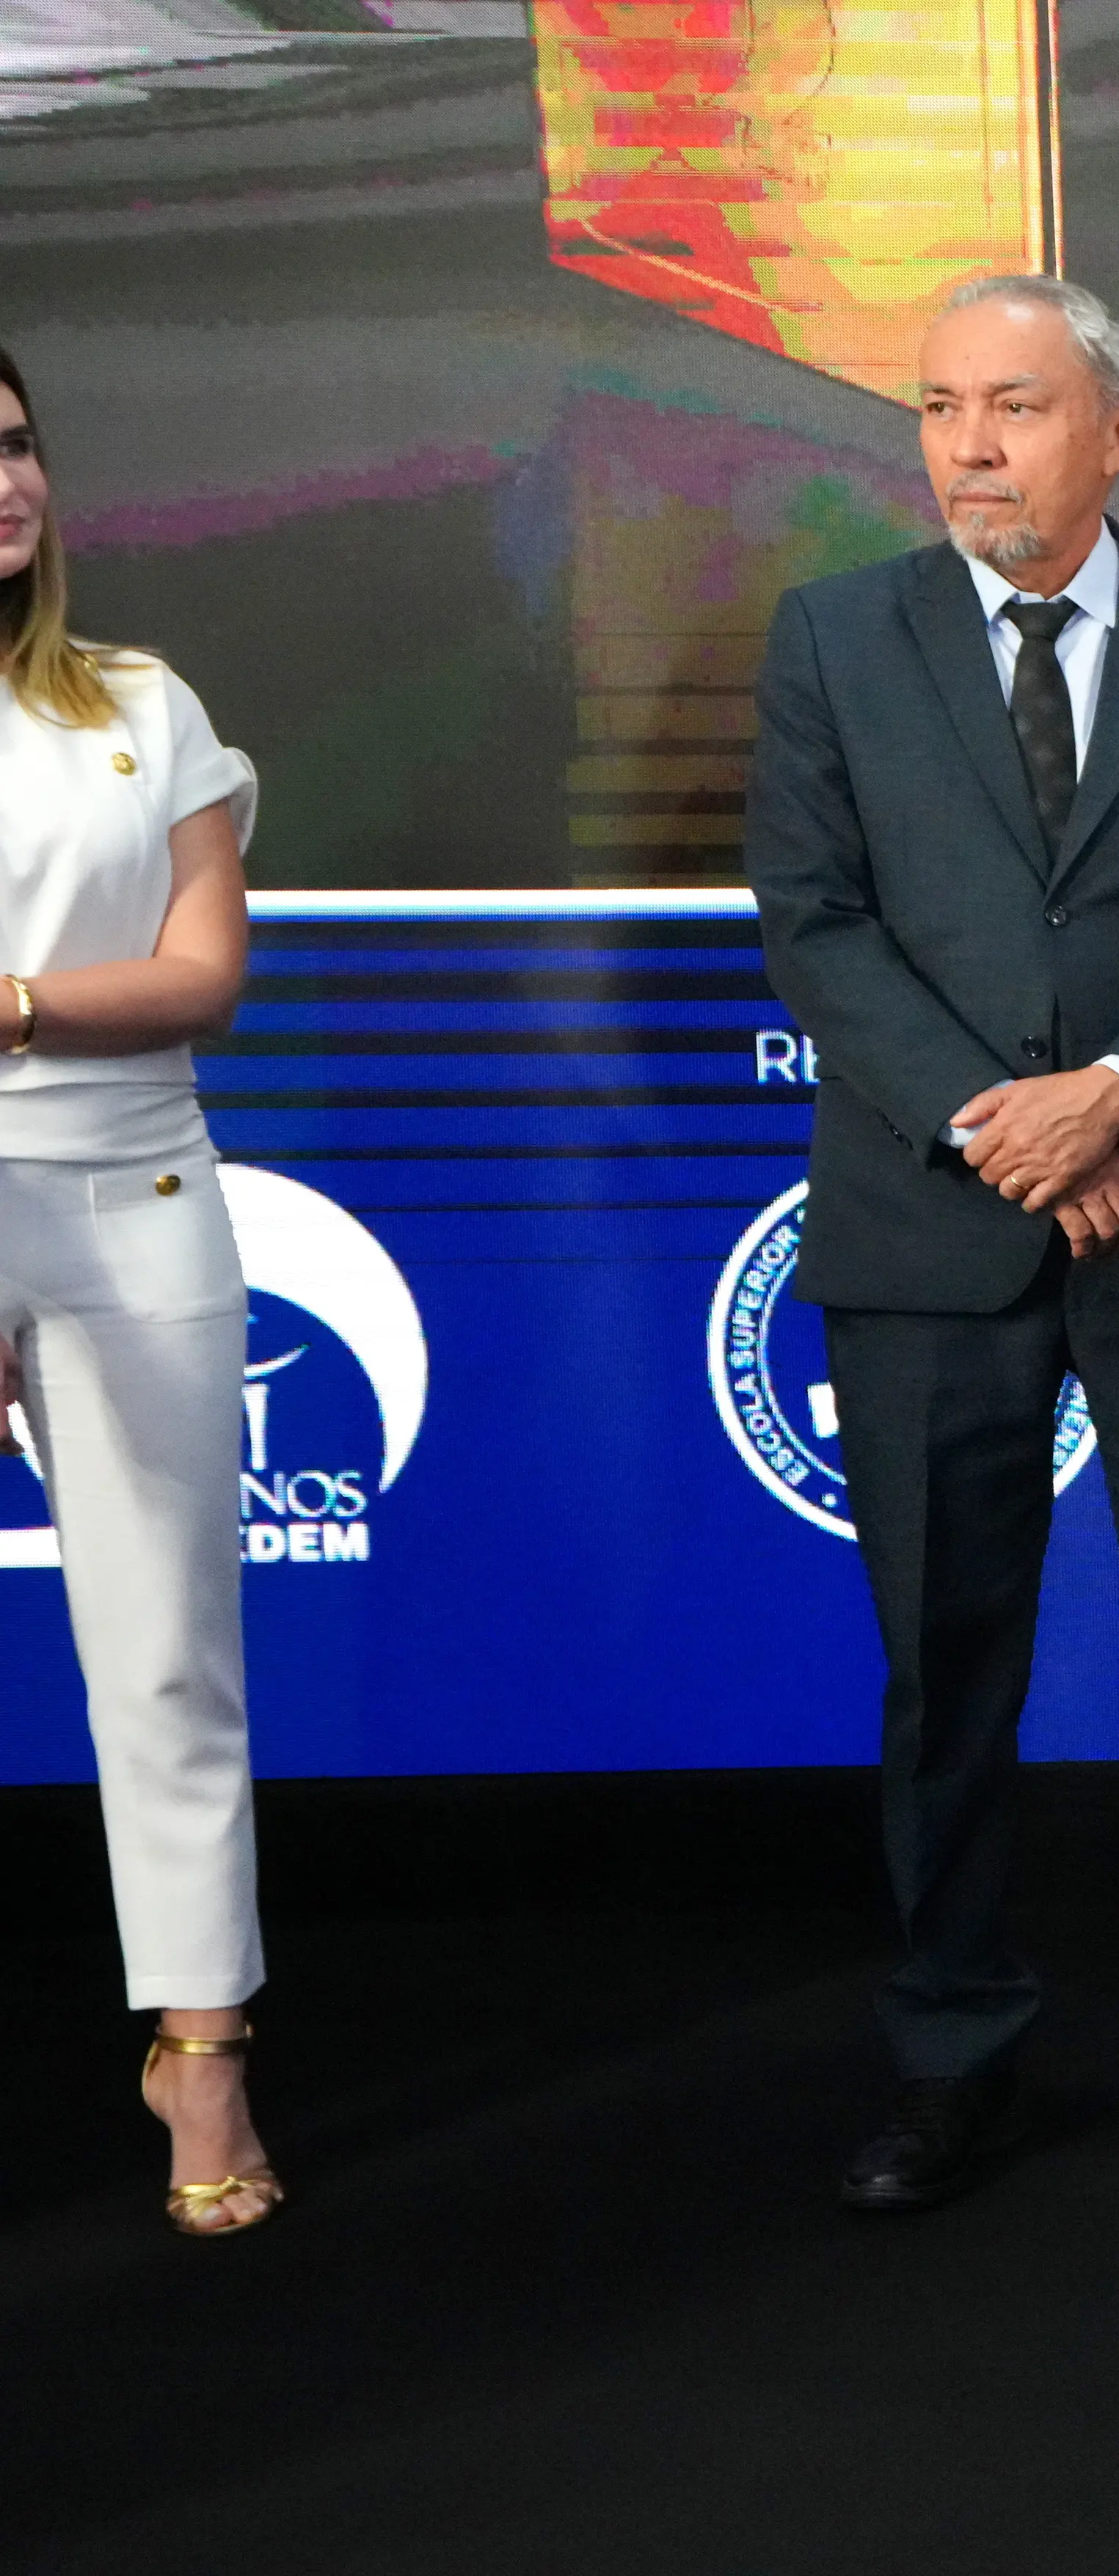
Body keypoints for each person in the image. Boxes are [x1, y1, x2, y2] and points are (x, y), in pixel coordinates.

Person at [743, 274, 1119, 2213]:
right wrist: (1019, 1125)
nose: (969, 447)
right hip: (933, 1233)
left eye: (1012, 406)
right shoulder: (834, 639)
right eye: (940, 408)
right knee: (944, 1664)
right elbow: (816, 921)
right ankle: (949, 2045)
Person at [0, 342, 278, 2235]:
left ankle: (203, 2049)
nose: (6, 483)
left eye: (17, 443)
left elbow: (203, 976)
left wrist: (18, 1004)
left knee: (168, 1646)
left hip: (137, 1184)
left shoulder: (139, 701)